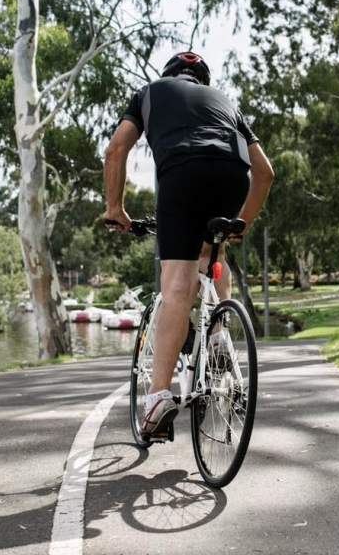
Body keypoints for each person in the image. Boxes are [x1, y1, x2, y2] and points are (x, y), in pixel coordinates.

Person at [103, 51, 275, 437]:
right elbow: (265, 171)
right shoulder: (225, 103)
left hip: (182, 174)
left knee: (177, 284)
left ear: (170, 75)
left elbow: (116, 150)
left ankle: (159, 397)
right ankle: (218, 332)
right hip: (234, 176)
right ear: (201, 80)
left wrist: (116, 209)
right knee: (211, 252)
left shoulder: (149, 92)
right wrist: (242, 221)